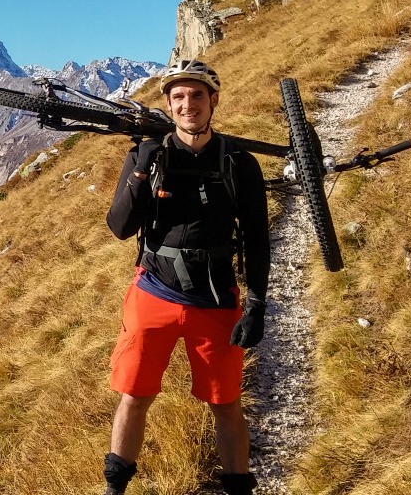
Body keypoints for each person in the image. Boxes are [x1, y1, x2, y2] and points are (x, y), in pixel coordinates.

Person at [100, 59, 271, 495]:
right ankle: (115, 488)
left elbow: (256, 237)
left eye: (197, 95)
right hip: (152, 294)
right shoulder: (147, 157)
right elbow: (119, 227)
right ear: (168, 104)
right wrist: (141, 169)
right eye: (178, 96)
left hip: (215, 299)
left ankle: (239, 489)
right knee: (134, 395)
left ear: (213, 100)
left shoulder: (239, 162)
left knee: (225, 402)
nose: (188, 103)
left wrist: (256, 305)